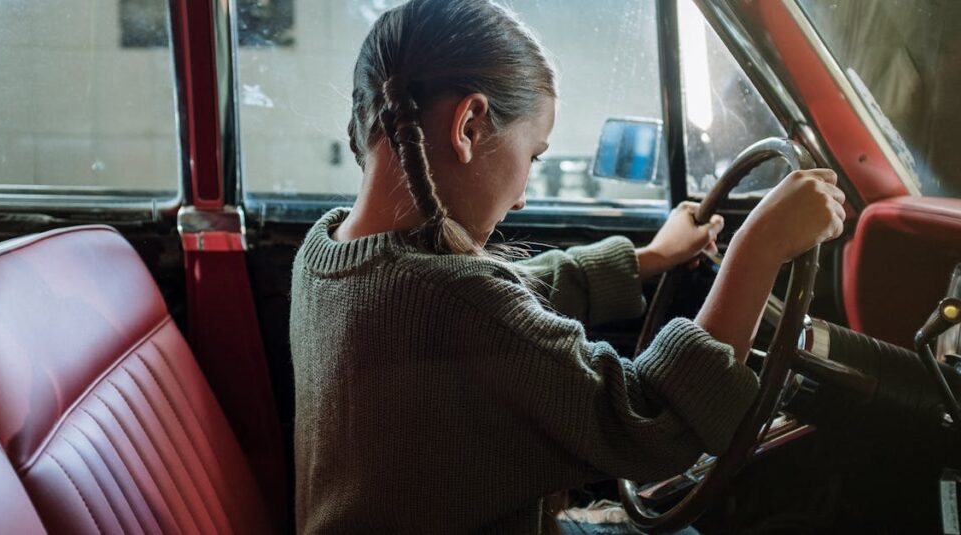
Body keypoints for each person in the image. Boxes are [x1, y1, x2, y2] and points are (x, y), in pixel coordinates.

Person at [289, 0, 846, 532]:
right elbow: (656, 427)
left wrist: (651, 258)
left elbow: (511, 295)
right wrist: (759, 248)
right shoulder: (453, 302)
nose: (523, 198)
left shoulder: (328, 254)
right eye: (532, 156)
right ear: (469, 126)